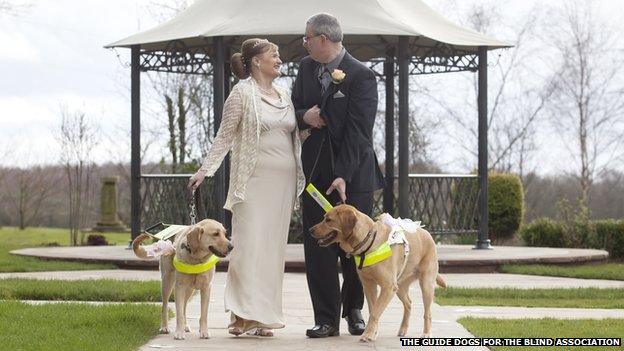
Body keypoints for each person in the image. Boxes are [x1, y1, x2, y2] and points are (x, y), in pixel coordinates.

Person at [188, 38, 305, 337]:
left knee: (271, 249)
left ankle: (263, 316)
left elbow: (292, 134)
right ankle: (240, 315)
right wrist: (206, 169)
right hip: (251, 182)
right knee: (248, 246)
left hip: (284, 183)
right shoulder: (241, 94)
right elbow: (224, 137)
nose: (279, 59)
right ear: (256, 61)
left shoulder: (284, 94)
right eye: (274, 55)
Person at [291, 13, 385, 338]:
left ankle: (355, 310)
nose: (303, 43)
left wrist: (344, 174)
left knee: (355, 244)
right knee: (318, 244)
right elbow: (294, 108)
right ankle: (326, 318)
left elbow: (361, 133)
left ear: (323, 39)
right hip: (316, 173)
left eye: (306, 38)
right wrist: (307, 116)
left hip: (354, 175)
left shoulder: (362, 76)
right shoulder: (305, 68)